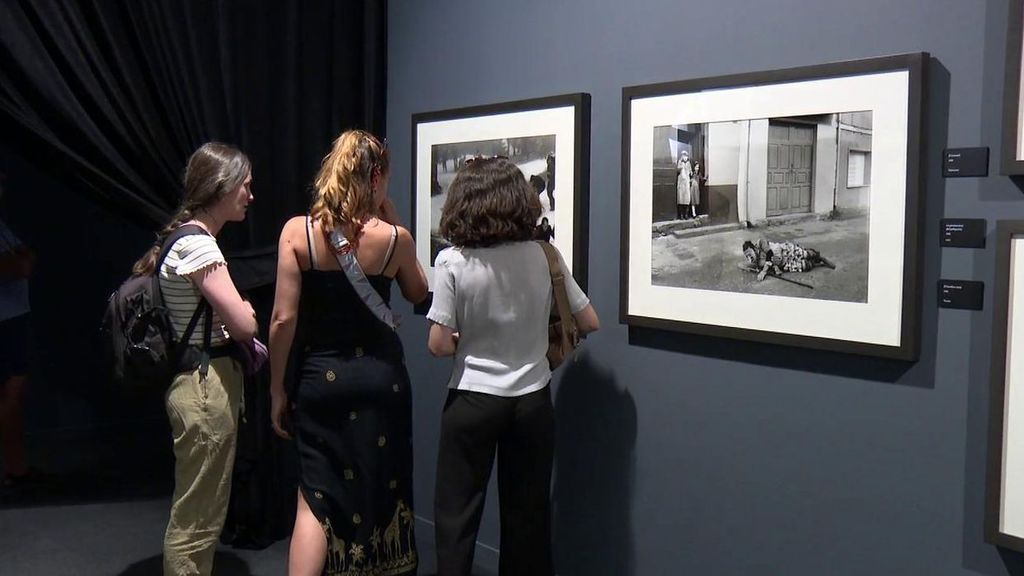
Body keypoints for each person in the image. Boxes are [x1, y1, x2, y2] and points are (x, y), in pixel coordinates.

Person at [427, 157, 600, 576]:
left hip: (473, 399)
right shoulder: (544, 255)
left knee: (457, 518)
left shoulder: (453, 261)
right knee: (528, 519)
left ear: (464, 202)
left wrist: (470, 335)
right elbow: (589, 321)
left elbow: (437, 344)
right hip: (532, 401)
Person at [269, 130, 428, 576]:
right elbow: (419, 292)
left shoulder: (297, 233)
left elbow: (283, 320)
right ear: (376, 178)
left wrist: (276, 388)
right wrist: (395, 222)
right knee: (381, 488)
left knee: (314, 500)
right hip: (382, 381)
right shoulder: (396, 239)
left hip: (322, 381)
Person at [131, 142, 258, 576]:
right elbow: (244, 326)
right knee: (197, 518)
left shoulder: (182, 238)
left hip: (197, 380)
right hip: (205, 385)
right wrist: (247, 311)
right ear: (222, 188)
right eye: (245, 186)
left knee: (200, 509)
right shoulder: (200, 246)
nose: (250, 195)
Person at [0, 171, 37, 488]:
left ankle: (17, 468)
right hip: (5, 323)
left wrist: (19, 260)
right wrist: (18, 260)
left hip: (14, 319)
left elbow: (25, 259)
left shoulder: (2, 225)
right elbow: (21, 266)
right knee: (10, 397)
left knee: (15, 398)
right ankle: (15, 469)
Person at [742, 238, 836, 281]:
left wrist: (763, 271)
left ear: (754, 248)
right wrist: (773, 268)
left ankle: (819, 257)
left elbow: (770, 253)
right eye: (747, 256)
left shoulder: (761, 242)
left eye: (749, 253)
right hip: (785, 263)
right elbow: (741, 265)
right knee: (806, 266)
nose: (749, 257)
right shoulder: (759, 263)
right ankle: (818, 263)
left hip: (786, 250)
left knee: (806, 254)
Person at [675, 149, 693, 220]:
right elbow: (678, 170)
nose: (684, 157)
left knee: (687, 199)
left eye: (685, 155)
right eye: (683, 155)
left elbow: (690, 171)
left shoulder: (688, 163)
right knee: (681, 198)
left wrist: (690, 172)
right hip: (681, 183)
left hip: (686, 183)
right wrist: (681, 166)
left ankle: (686, 214)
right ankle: (681, 215)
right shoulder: (680, 162)